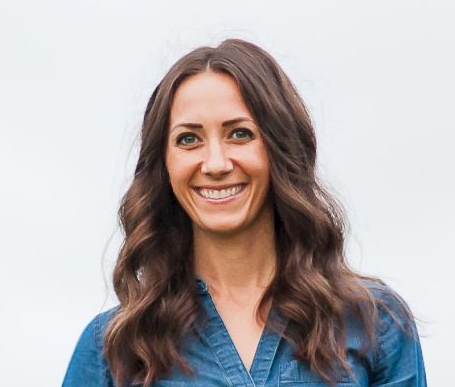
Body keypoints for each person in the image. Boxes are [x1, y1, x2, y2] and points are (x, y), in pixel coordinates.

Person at [62, 39, 427, 387]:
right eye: (189, 139)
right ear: (164, 164)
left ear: (280, 150)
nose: (216, 163)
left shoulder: (375, 323)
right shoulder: (113, 347)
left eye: (239, 134)